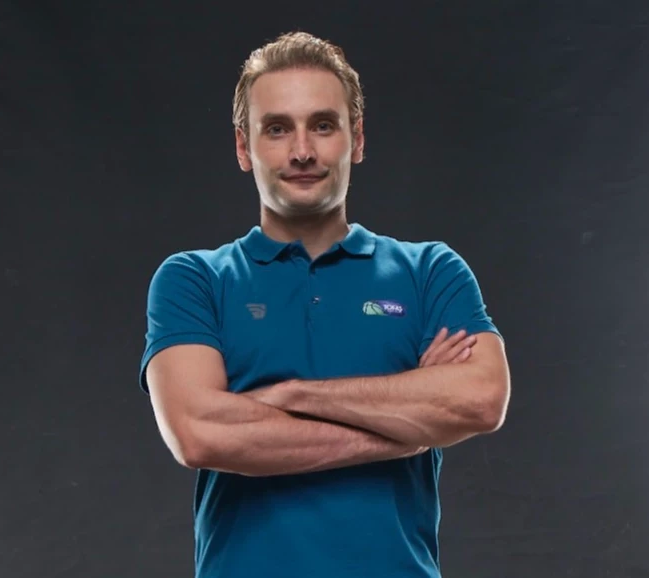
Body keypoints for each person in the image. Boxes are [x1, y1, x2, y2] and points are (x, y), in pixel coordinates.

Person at [139, 31, 511, 578]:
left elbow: (479, 401)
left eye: (322, 125)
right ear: (243, 148)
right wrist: (406, 429)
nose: (302, 152)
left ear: (356, 139)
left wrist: (290, 395)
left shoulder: (429, 271)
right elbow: (199, 433)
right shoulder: (194, 280)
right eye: (277, 129)